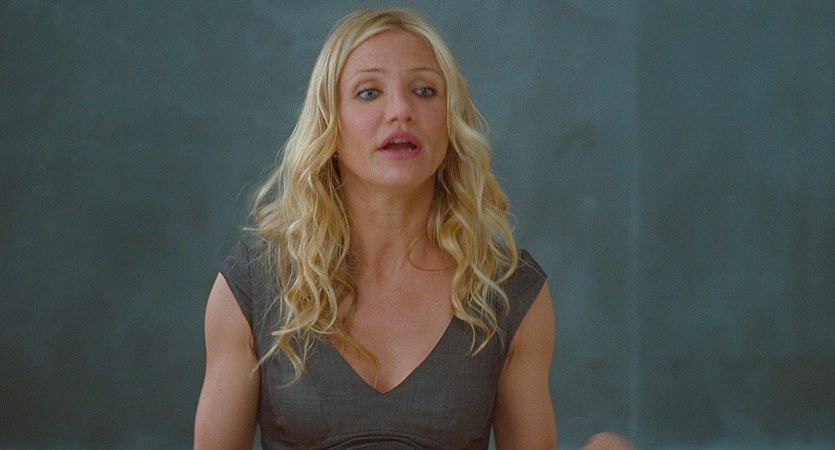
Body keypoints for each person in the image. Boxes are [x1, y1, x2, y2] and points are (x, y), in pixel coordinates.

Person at [194, 7, 559, 449]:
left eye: (424, 91)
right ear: (329, 121)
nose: (401, 112)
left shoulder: (509, 290)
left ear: (451, 120)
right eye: (369, 93)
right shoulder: (252, 286)